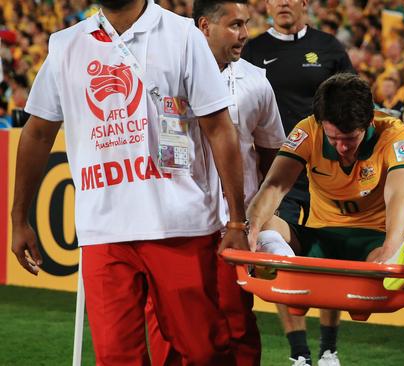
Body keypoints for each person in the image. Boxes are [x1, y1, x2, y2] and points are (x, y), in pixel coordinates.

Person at [10, 0, 250, 364]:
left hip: (178, 224)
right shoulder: (65, 44)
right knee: (116, 357)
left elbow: (219, 129)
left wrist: (236, 219)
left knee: (203, 351)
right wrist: (19, 218)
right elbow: (38, 133)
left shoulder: (183, 35)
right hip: (104, 231)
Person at [143, 0, 287, 365]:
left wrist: (257, 216)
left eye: (246, 25)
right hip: (173, 221)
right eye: (235, 25)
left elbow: (273, 156)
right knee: (166, 321)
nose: (244, 34)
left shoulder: (256, 82)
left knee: (235, 319)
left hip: (231, 224)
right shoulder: (160, 76)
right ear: (204, 26)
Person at [246, 73, 404, 366]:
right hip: (320, 235)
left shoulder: (396, 134)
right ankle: (281, 258)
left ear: (368, 123)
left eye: (349, 138)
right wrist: (248, 230)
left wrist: (389, 253)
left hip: (372, 242)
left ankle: (388, 266)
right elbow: (275, 186)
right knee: (260, 219)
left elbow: (399, 198)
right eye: (333, 138)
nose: (341, 147)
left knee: (393, 251)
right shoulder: (308, 130)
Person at [241, 0, 353, 363]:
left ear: (304, 3)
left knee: (331, 251)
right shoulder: (253, 50)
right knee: (278, 245)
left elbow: (353, 99)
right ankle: (300, 354)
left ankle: (330, 349)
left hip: (329, 168)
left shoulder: (329, 47)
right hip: (279, 169)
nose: (283, 3)